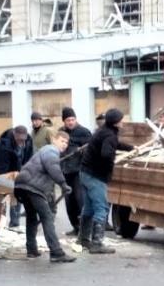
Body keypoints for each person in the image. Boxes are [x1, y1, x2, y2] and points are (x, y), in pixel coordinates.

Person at [76, 108, 134, 253]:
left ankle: (83, 240)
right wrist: (110, 166)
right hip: (96, 176)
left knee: (89, 208)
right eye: (121, 119)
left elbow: (113, 144)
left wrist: (130, 148)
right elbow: (107, 153)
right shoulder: (109, 135)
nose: (123, 121)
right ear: (115, 122)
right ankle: (97, 243)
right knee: (101, 208)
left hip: (85, 173)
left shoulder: (104, 131)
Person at [14, 130, 75, 263]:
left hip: (22, 185)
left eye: (66, 142)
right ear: (54, 140)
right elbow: (52, 167)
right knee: (47, 217)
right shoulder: (51, 150)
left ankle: (31, 250)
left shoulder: (43, 151)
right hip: (33, 187)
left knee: (31, 218)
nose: (64, 145)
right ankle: (56, 253)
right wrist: (64, 184)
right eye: (62, 141)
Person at [58, 107, 92, 235]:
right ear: (64, 121)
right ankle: (75, 227)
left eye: (72, 119)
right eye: (68, 120)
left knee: (80, 200)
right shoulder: (61, 132)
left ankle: (85, 229)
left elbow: (90, 151)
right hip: (65, 171)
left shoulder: (84, 132)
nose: (71, 122)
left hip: (79, 171)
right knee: (69, 201)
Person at [0, 125, 32, 228]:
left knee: (17, 198)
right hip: (2, 174)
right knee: (1, 199)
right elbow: (0, 167)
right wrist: (6, 180)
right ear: (14, 135)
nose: (21, 142)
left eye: (23, 140)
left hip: (19, 174)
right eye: (19, 140)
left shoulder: (28, 142)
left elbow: (29, 159)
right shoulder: (3, 146)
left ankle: (15, 223)